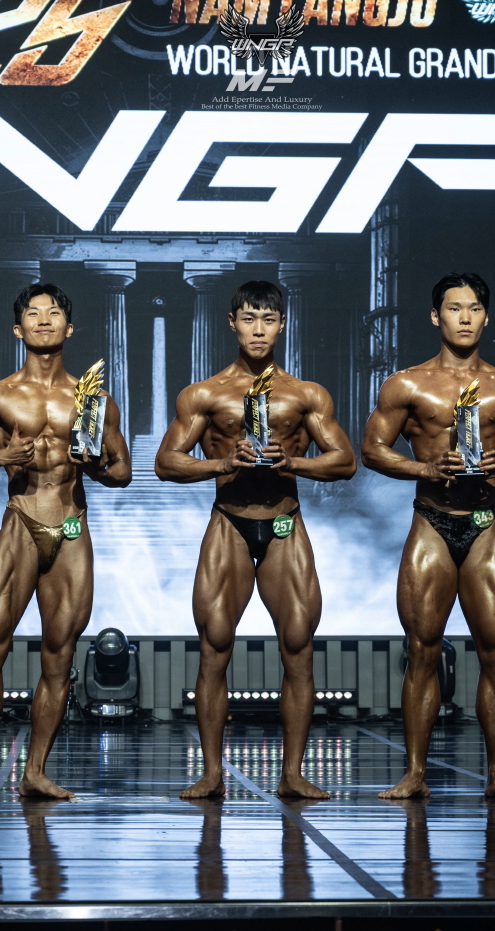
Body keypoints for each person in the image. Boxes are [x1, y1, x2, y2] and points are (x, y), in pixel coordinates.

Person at [155, 280, 356, 799]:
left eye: (268, 319)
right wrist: (222, 462)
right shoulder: (204, 394)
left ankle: (292, 774)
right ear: (232, 323)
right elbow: (166, 462)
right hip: (230, 522)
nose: (258, 329)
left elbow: (345, 461)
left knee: (299, 647)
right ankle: (212, 773)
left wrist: (294, 462)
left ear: (282, 324)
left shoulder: (307, 394)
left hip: (285, 522)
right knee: (214, 646)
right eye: (249, 318)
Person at [0, 284, 132, 800]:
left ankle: (36, 772)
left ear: (69, 327)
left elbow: (123, 471)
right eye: (33, 313)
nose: (43, 320)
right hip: (20, 521)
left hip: (70, 528)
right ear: (18, 328)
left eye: (53, 313)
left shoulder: (91, 400)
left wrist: (95, 465)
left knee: (59, 656)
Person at [361, 273, 495, 800]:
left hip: (486, 524)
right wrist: (425, 468)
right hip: (432, 522)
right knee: (421, 650)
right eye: (453, 308)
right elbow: (372, 450)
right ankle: (414, 774)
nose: (464, 318)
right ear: (435, 316)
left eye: (473, 309)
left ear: (486, 317)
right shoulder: (407, 385)